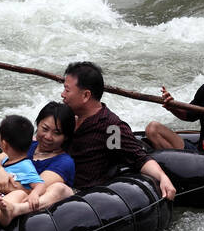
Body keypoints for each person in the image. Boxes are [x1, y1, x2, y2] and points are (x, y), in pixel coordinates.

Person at [60, 62, 177, 200]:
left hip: (82, 197)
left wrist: (163, 177)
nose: (62, 95)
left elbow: (139, 158)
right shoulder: (67, 118)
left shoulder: (110, 127)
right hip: (55, 180)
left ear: (86, 95)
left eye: (67, 90)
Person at [0, 103, 78, 226]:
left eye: (57, 133)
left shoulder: (64, 162)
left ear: (65, 137)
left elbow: (30, 190)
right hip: (0, 189)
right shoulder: (29, 145)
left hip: (23, 200)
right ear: (37, 125)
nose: (48, 137)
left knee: (21, 193)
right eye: (44, 129)